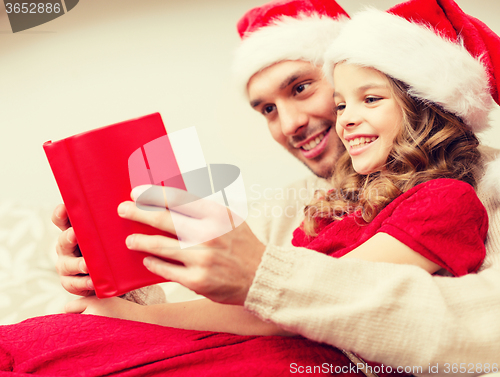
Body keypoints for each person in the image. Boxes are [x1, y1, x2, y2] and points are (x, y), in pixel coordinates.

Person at [53, 0, 500, 373]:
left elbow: (472, 327)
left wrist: (138, 319)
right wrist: (117, 275)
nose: (290, 124)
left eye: (303, 88)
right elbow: (206, 310)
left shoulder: (465, 191)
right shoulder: (301, 207)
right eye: (267, 109)